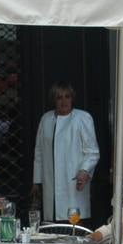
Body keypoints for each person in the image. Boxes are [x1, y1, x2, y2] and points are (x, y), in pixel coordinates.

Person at [32, 83, 99, 223]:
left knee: (75, 227)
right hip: (50, 184)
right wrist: (37, 181)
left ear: (72, 98)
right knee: (53, 229)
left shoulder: (82, 118)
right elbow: (39, 151)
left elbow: (92, 151)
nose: (64, 101)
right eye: (59, 97)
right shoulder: (46, 119)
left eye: (67, 97)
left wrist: (84, 170)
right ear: (53, 100)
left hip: (73, 183)